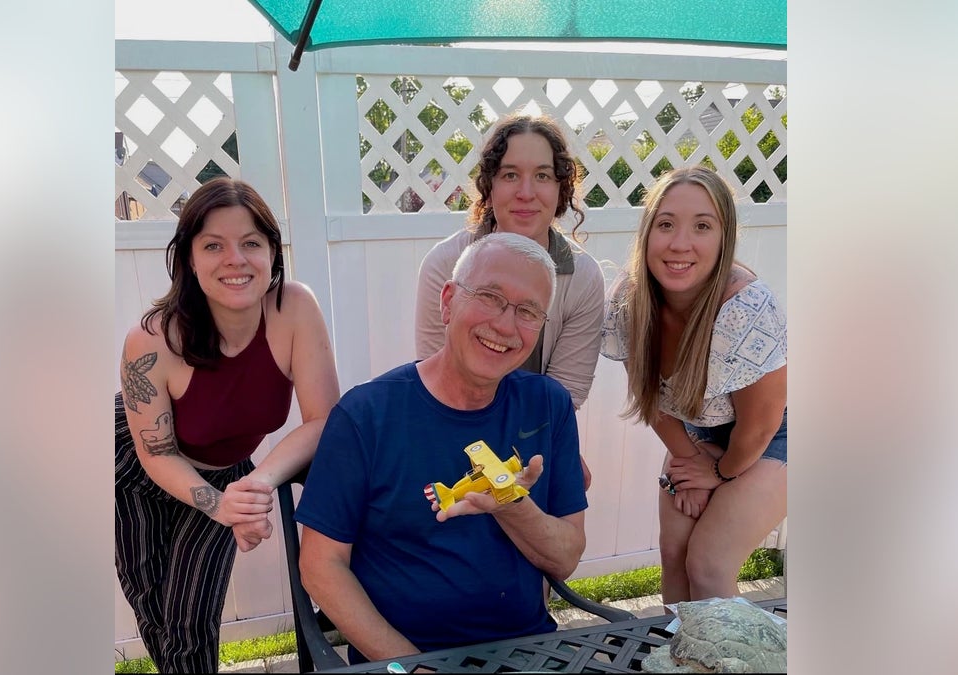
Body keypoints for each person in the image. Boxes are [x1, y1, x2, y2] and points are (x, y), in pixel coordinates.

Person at [297, 232, 588, 663]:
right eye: (489, 296)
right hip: (405, 659)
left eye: (528, 311)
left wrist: (509, 501)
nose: (506, 326)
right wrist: (409, 668)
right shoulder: (366, 415)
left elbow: (564, 559)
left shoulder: (548, 404)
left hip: (524, 652)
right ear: (448, 300)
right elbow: (321, 567)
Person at [115, 177, 340, 673]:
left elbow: (324, 420)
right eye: (213, 245)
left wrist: (254, 484)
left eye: (251, 243)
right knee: (153, 608)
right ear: (190, 260)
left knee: (190, 619)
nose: (235, 259)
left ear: (272, 253)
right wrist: (221, 507)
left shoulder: (294, 309)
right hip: (130, 469)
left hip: (223, 468)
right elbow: (156, 452)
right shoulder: (152, 340)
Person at [600, 165, 786, 604]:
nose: (680, 244)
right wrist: (691, 463)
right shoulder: (631, 300)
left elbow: (760, 424)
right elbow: (652, 399)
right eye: (666, 224)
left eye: (702, 226)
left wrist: (718, 472)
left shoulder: (745, 307)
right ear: (647, 234)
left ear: (724, 239)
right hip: (698, 435)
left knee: (707, 563)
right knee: (675, 552)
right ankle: (678, 659)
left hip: (776, 436)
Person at [414, 113, 605, 488]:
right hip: (451, 427)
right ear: (489, 185)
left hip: (536, 431)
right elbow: (434, 371)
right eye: (510, 174)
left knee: (572, 486)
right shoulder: (445, 264)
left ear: (562, 189)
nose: (526, 193)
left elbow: (566, 391)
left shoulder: (583, 277)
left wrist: (521, 460)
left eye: (543, 176)